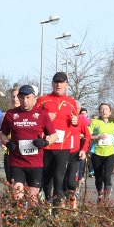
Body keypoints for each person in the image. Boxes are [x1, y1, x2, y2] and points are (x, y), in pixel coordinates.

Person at [0, 84, 56, 203]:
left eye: (28, 97)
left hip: (35, 162)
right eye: (22, 97)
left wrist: (45, 142)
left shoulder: (42, 114)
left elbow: (54, 135)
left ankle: (33, 213)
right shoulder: (11, 114)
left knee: (32, 198)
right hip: (17, 162)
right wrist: (7, 143)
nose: (25, 101)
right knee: (17, 195)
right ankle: (18, 214)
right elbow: (2, 134)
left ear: (34, 98)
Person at [36, 72, 80, 205]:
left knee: (59, 176)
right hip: (47, 145)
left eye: (61, 82)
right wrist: (44, 117)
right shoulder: (43, 100)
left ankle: (57, 205)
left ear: (66, 84)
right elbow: (34, 118)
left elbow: (76, 122)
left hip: (63, 146)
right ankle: (47, 201)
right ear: (52, 83)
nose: (58, 85)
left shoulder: (71, 102)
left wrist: (75, 121)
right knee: (47, 177)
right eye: (56, 82)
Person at [88, 103, 114, 202]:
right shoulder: (94, 122)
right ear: (99, 111)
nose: (104, 111)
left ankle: (106, 197)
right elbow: (88, 135)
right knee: (98, 176)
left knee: (107, 176)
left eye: (106, 109)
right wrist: (97, 137)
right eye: (102, 109)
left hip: (110, 152)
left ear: (110, 112)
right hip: (97, 152)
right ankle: (100, 193)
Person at [3, 87, 20, 181]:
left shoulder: (30, 114)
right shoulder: (7, 115)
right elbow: (1, 134)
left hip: (26, 154)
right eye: (13, 97)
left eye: (17, 96)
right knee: (11, 182)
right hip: (10, 153)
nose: (15, 99)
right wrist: (4, 142)